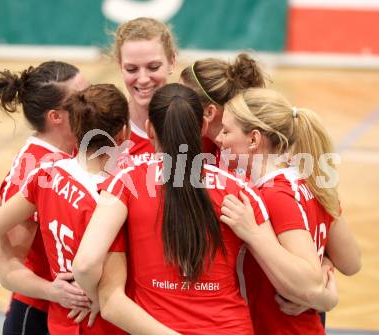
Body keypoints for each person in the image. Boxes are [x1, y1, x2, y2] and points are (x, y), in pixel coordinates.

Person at [73, 83, 270, 335]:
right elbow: (282, 273)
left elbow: (84, 265)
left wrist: (95, 297)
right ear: (203, 127)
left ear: (149, 129)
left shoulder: (126, 182)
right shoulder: (238, 188)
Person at [0, 84, 134, 334]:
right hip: (102, 320)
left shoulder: (46, 170)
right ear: (123, 133)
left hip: (61, 319)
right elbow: (90, 268)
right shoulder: (113, 194)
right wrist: (95, 296)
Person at [218, 88, 361, 334]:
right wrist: (324, 275)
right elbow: (351, 262)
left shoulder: (274, 194)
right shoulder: (311, 182)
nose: (219, 138)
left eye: (226, 131)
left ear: (253, 139)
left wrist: (256, 235)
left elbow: (309, 280)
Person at [0, 61, 90, 335]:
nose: (90, 100)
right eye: (81, 97)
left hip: (73, 311)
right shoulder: (32, 169)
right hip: (37, 314)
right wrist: (53, 291)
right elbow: (9, 269)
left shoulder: (79, 142)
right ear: (56, 116)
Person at [111, 17, 176, 165]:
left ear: (172, 62)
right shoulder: (107, 130)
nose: (143, 79)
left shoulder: (197, 123)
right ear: (120, 66)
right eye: (131, 69)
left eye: (153, 67)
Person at [179, 53, 266, 151]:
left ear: (209, 113)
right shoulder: (199, 142)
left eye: (180, 100)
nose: (171, 104)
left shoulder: (243, 156)